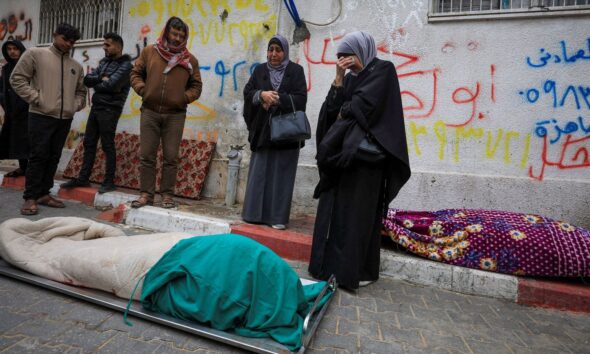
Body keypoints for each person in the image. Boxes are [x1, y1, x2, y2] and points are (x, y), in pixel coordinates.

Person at [308, 31, 411, 290]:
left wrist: (346, 109)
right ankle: (327, 268)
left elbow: (363, 108)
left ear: (362, 51)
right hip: (344, 159)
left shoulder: (383, 70)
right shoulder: (350, 78)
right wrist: (339, 79)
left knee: (358, 218)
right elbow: (332, 112)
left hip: (367, 162)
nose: (345, 61)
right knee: (336, 214)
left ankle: (357, 272)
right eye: (341, 57)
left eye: (349, 56)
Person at [10, 23, 86, 215]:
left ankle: (44, 193)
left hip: (64, 118)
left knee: (54, 157)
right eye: (65, 39)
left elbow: (81, 91)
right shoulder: (35, 54)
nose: (69, 44)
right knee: (38, 156)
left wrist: (74, 106)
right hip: (40, 115)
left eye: (72, 42)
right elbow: (17, 78)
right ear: (55, 35)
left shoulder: (76, 66)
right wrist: (37, 99)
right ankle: (30, 198)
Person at [130, 16, 202, 208]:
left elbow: (197, 87)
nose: (177, 38)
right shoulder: (149, 52)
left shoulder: (190, 60)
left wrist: (182, 98)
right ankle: (146, 194)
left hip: (175, 115)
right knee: (147, 155)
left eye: (181, 35)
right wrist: (143, 90)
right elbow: (135, 73)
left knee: (171, 157)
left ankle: (167, 196)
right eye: (174, 33)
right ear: (167, 32)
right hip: (150, 111)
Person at [241, 34, 307, 230]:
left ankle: (277, 218)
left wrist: (277, 99)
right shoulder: (260, 70)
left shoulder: (296, 71)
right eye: (271, 50)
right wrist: (261, 95)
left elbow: (301, 99)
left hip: (286, 133)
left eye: (278, 50)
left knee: (282, 174)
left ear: (285, 52)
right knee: (260, 173)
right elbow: (247, 92)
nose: (273, 54)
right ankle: (253, 215)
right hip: (263, 131)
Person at [60, 33, 132, 194]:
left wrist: (99, 83)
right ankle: (83, 178)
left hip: (110, 109)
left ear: (118, 47)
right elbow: (87, 80)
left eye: (108, 45)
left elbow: (112, 86)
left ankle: (109, 182)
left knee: (107, 144)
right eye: (104, 44)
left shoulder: (126, 65)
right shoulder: (104, 63)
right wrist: (102, 78)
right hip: (97, 107)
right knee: (89, 143)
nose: (104, 47)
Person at [0, 39, 29, 178]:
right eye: (9, 49)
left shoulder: (28, 66)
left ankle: (30, 169)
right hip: (11, 112)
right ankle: (23, 167)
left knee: (27, 141)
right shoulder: (6, 68)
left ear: (21, 50)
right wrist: (4, 102)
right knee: (15, 141)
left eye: (15, 48)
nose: (12, 51)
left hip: (26, 111)